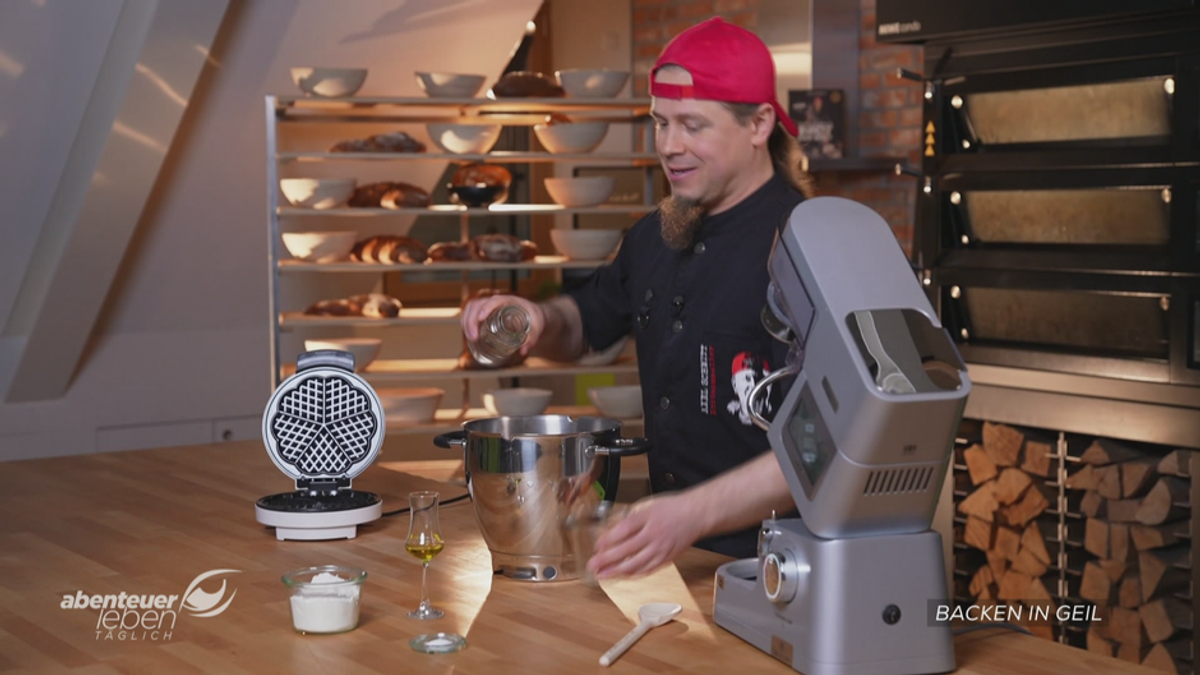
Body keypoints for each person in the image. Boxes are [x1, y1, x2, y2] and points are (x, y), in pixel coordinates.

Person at [461, 17, 814, 578]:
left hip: (780, 571)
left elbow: (830, 445)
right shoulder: (656, 234)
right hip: (676, 560)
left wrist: (692, 515)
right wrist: (535, 319)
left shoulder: (810, 245)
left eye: (693, 125)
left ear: (760, 123)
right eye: (660, 123)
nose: (670, 147)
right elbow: (583, 325)